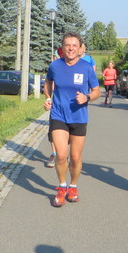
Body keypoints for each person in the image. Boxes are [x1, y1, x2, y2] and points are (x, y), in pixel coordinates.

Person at [43, 32, 100, 207]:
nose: (71, 48)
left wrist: (87, 97)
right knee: (61, 155)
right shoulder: (55, 66)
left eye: (74, 45)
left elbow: (97, 91)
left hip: (79, 116)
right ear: (62, 47)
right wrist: (48, 98)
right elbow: (48, 83)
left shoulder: (86, 68)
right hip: (58, 115)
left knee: (75, 157)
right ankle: (62, 187)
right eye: (67, 45)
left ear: (80, 48)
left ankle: (73, 186)